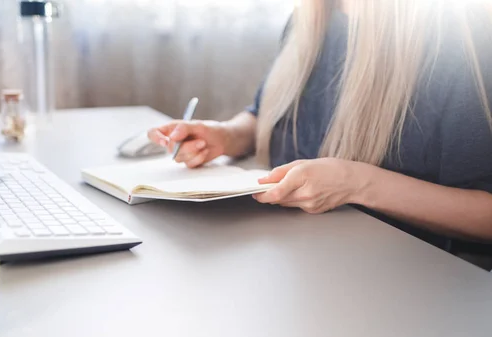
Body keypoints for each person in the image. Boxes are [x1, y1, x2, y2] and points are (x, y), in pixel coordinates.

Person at [147, 0, 492, 267]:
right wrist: (225, 135)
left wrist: (359, 183)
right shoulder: (311, 17)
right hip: (290, 256)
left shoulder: (462, 37)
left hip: (398, 282)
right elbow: (267, 114)